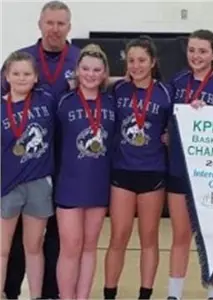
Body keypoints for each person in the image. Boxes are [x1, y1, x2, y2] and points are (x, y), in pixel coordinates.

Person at [2, 2, 80, 299]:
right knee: (15, 234)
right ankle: (10, 290)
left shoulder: (78, 58)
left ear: (69, 27)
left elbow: (99, 88)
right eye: (50, 22)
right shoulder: (20, 58)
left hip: (65, 159)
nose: (55, 29)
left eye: (61, 23)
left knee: (54, 233)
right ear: (40, 24)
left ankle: (48, 292)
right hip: (22, 160)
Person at [166, 29, 213, 300]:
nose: (197, 56)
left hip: (212, 173)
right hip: (180, 169)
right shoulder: (177, 81)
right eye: (192, 50)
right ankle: (174, 294)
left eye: (203, 51)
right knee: (180, 235)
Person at [103, 36, 171, 300]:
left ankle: (145, 294)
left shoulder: (166, 93)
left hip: (153, 172)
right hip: (122, 172)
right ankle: (110, 293)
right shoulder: (117, 90)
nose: (136, 65)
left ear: (152, 62)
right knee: (118, 236)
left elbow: (176, 127)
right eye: (131, 60)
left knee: (149, 238)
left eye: (142, 60)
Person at [55, 44, 115, 300]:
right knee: (70, 247)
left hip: (98, 185)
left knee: (90, 247)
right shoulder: (63, 103)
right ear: (77, 71)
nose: (91, 74)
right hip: (69, 184)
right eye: (86, 68)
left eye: (96, 70)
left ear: (104, 74)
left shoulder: (113, 104)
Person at [1, 51, 56, 299]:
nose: (21, 78)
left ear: (35, 77)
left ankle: (36, 295)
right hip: (6, 186)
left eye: (26, 74)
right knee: (2, 249)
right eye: (16, 73)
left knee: (33, 247)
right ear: (6, 76)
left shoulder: (47, 100)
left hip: (38, 183)